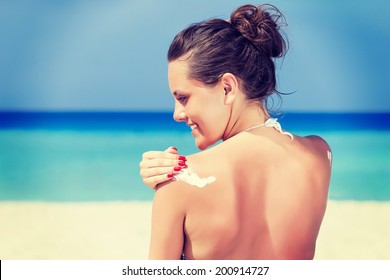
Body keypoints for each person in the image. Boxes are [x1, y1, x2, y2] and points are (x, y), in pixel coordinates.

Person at [139, 4, 332, 260]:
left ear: (227, 88)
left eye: (183, 98)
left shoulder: (180, 182)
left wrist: (167, 188)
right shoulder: (319, 155)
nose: (177, 114)